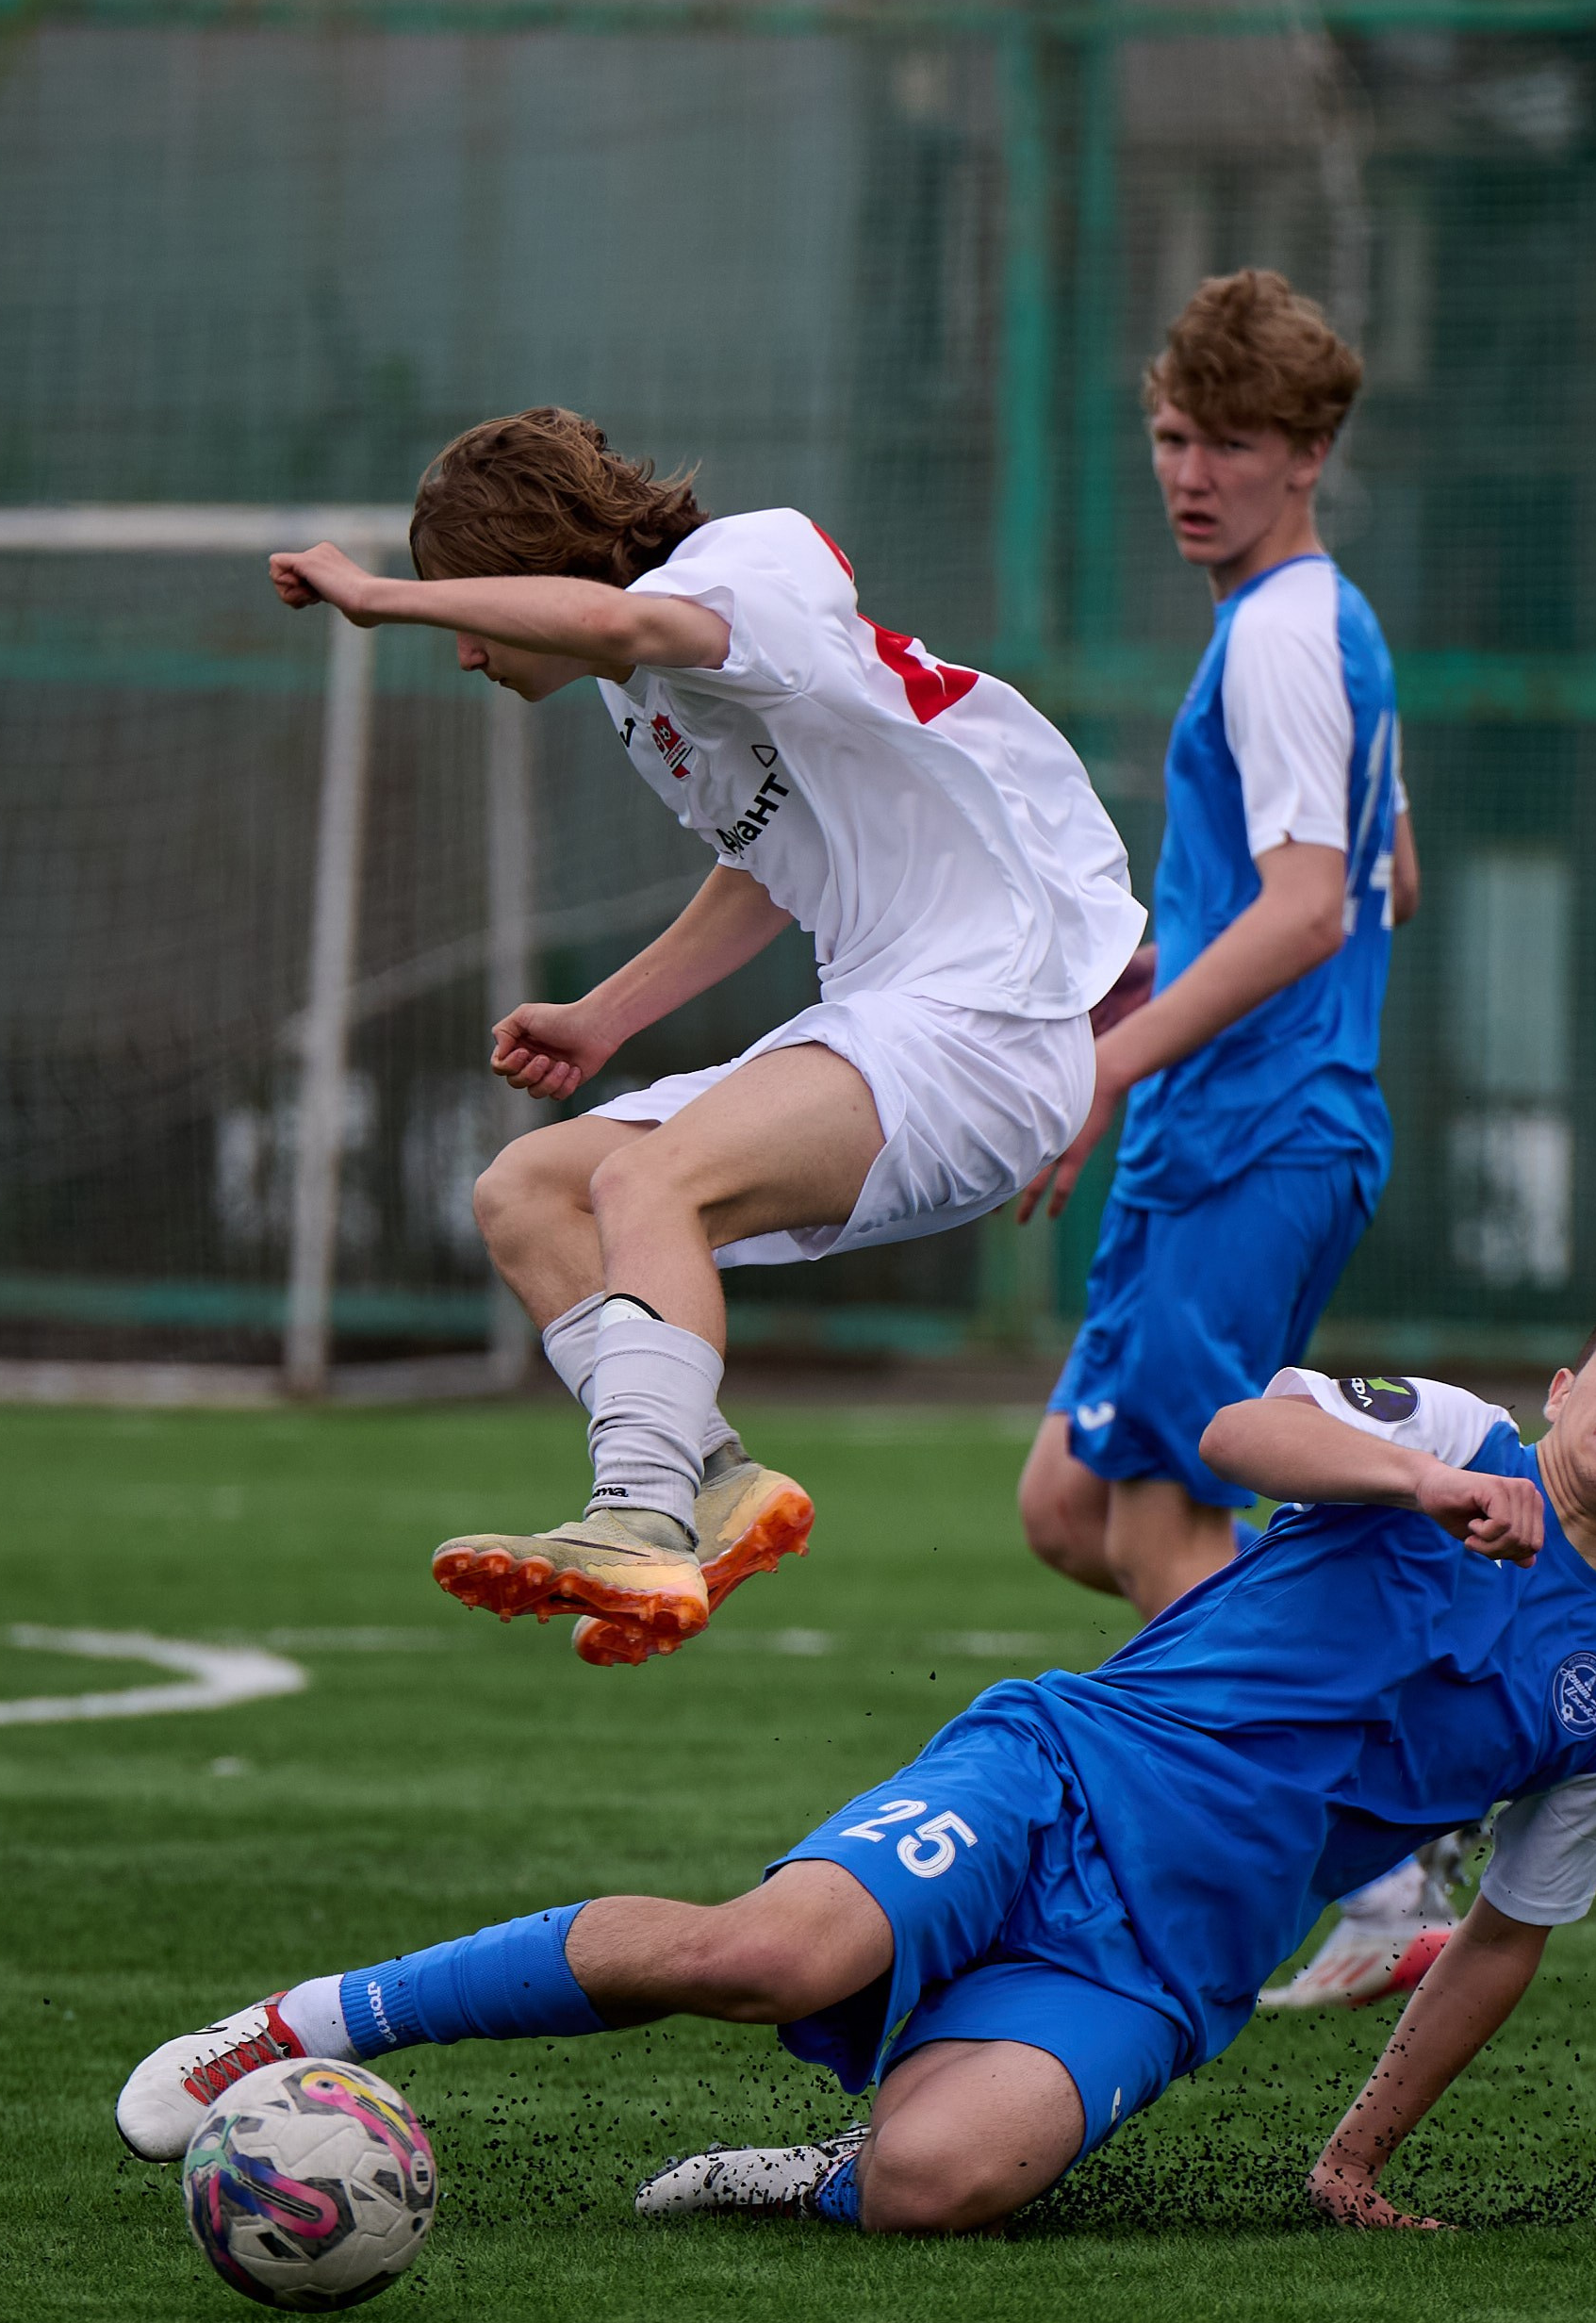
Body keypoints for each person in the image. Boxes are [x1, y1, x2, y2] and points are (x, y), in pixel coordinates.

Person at [117, 1270, 1596, 2234]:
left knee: (940, 2185)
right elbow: (1232, 1433)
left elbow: (1501, 1938)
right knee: (763, 1958)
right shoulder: (1448, 1433)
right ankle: (290, 2029)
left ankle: (821, 2171)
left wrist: (1351, 2157)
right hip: (1060, 1774)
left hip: (1175, 1957)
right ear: (1566, 1383)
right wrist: (1420, 1481)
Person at [266, 410, 1144, 1665]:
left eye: (474, 605)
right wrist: (604, 1016)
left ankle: (635, 1515)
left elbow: (627, 622)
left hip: (986, 1020)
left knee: (648, 1184)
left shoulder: (746, 565)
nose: (464, 647)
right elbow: (765, 867)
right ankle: (718, 1487)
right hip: (905, 1018)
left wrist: (381, 597)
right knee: (529, 1194)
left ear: (536, 570)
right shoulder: (641, 704)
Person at [1018, 269, 1420, 1625]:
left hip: (1256, 1131)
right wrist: (1176, 964)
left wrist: (1108, 1064)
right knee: (1067, 1507)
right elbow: (1391, 881)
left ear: (1310, 454)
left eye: (1232, 445)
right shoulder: (1317, 620)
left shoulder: (1283, 637)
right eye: (1173, 437)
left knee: (1159, 1536)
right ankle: (1359, 1687)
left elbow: (1310, 910)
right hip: (1226, 1123)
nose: (1191, 477)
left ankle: (1386, 1745)